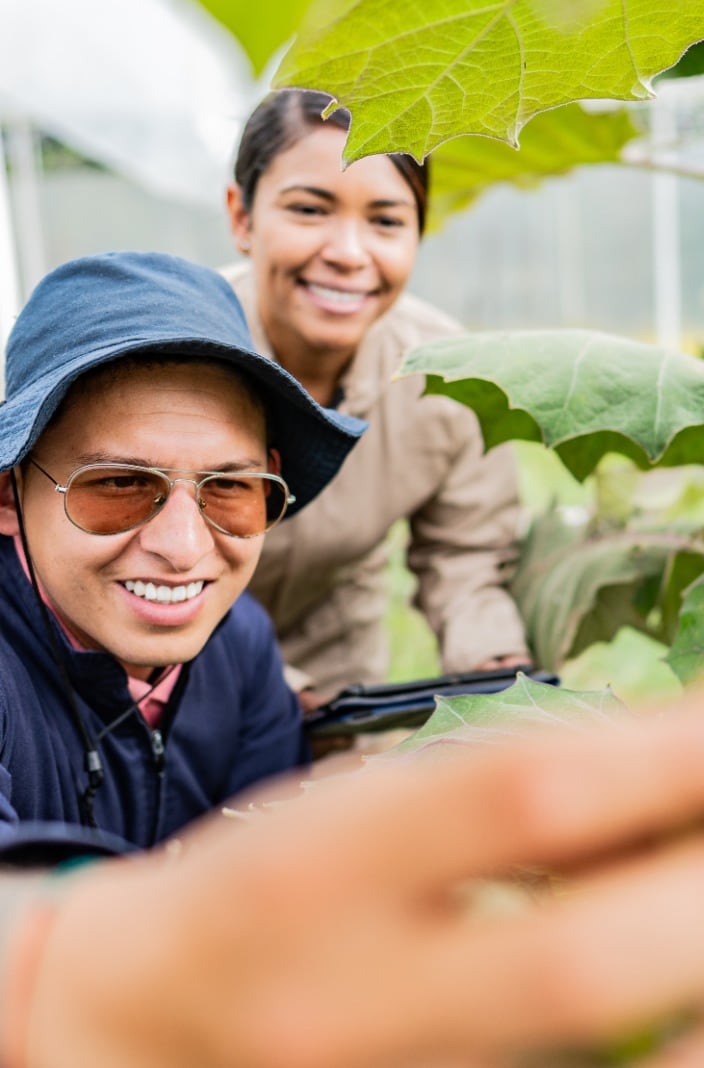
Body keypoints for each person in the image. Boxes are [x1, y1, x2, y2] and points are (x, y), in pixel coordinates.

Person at [0, 250, 704, 1068]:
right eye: (118, 485)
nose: (184, 545)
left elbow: (258, 852)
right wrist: (33, 976)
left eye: (229, 491)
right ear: (5, 496)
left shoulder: (234, 648)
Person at [224, 88, 531, 707]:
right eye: (309, 210)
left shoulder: (448, 376)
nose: (348, 253)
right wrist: (271, 692)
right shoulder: (175, 358)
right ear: (243, 218)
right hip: (170, 668)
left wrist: (491, 658)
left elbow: (466, 556)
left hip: (337, 670)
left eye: (386, 221)